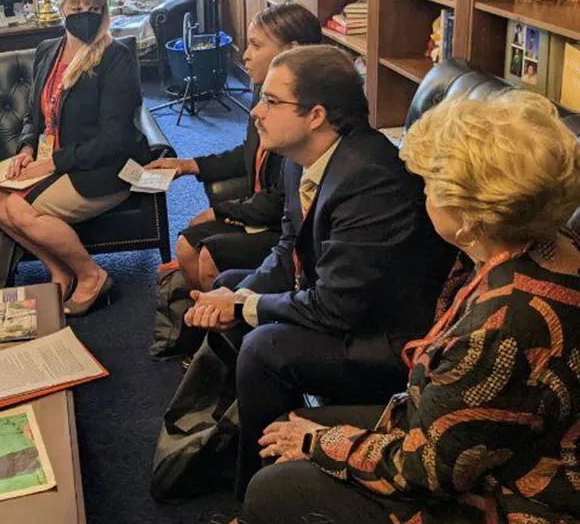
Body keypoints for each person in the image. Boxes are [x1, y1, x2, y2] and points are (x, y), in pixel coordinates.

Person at [239, 90, 580, 524]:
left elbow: (429, 470)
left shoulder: (504, 325)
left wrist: (317, 443)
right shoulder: (543, 243)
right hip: (471, 439)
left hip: (516, 495)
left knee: (275, 486)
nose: (423, 194)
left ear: (471, 213)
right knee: (292, 424)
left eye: (431, 186)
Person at [182, 45, 456, 497]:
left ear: (316, 116)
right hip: (343, 306)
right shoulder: (302, 159)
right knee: (232, 285)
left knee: (263, 347)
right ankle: (243, 436)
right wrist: (235, 300)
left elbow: (337, 306)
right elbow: (288, 246)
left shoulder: (370, 180)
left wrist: (246, 307)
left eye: (272, 101)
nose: (256, 112)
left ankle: (255, 487)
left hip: (388, 339)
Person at [0, 0, 146, 317]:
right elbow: (32, 116)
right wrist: (27, 149)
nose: (84, 13)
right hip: (56, 159)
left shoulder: (115, 58)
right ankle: (58, 269)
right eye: (76, 5)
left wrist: (53, 163)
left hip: (105, 168)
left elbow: (114, 139)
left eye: (93, 6)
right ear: (61, 8)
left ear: (103, 11)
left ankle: (92, 276)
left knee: (18, 209)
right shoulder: (47, 52)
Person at [148, 3, 322, 291]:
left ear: (290, 51)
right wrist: (190, 165)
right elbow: (250, 152)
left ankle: (221, 316)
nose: (245, 55)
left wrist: (220, 211)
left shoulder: (301, 115)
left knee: (205, 257)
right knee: (186, 244)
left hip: (283, 226)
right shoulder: (263, 92)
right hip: (260, 211)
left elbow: (281, 200)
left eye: (255, 45)